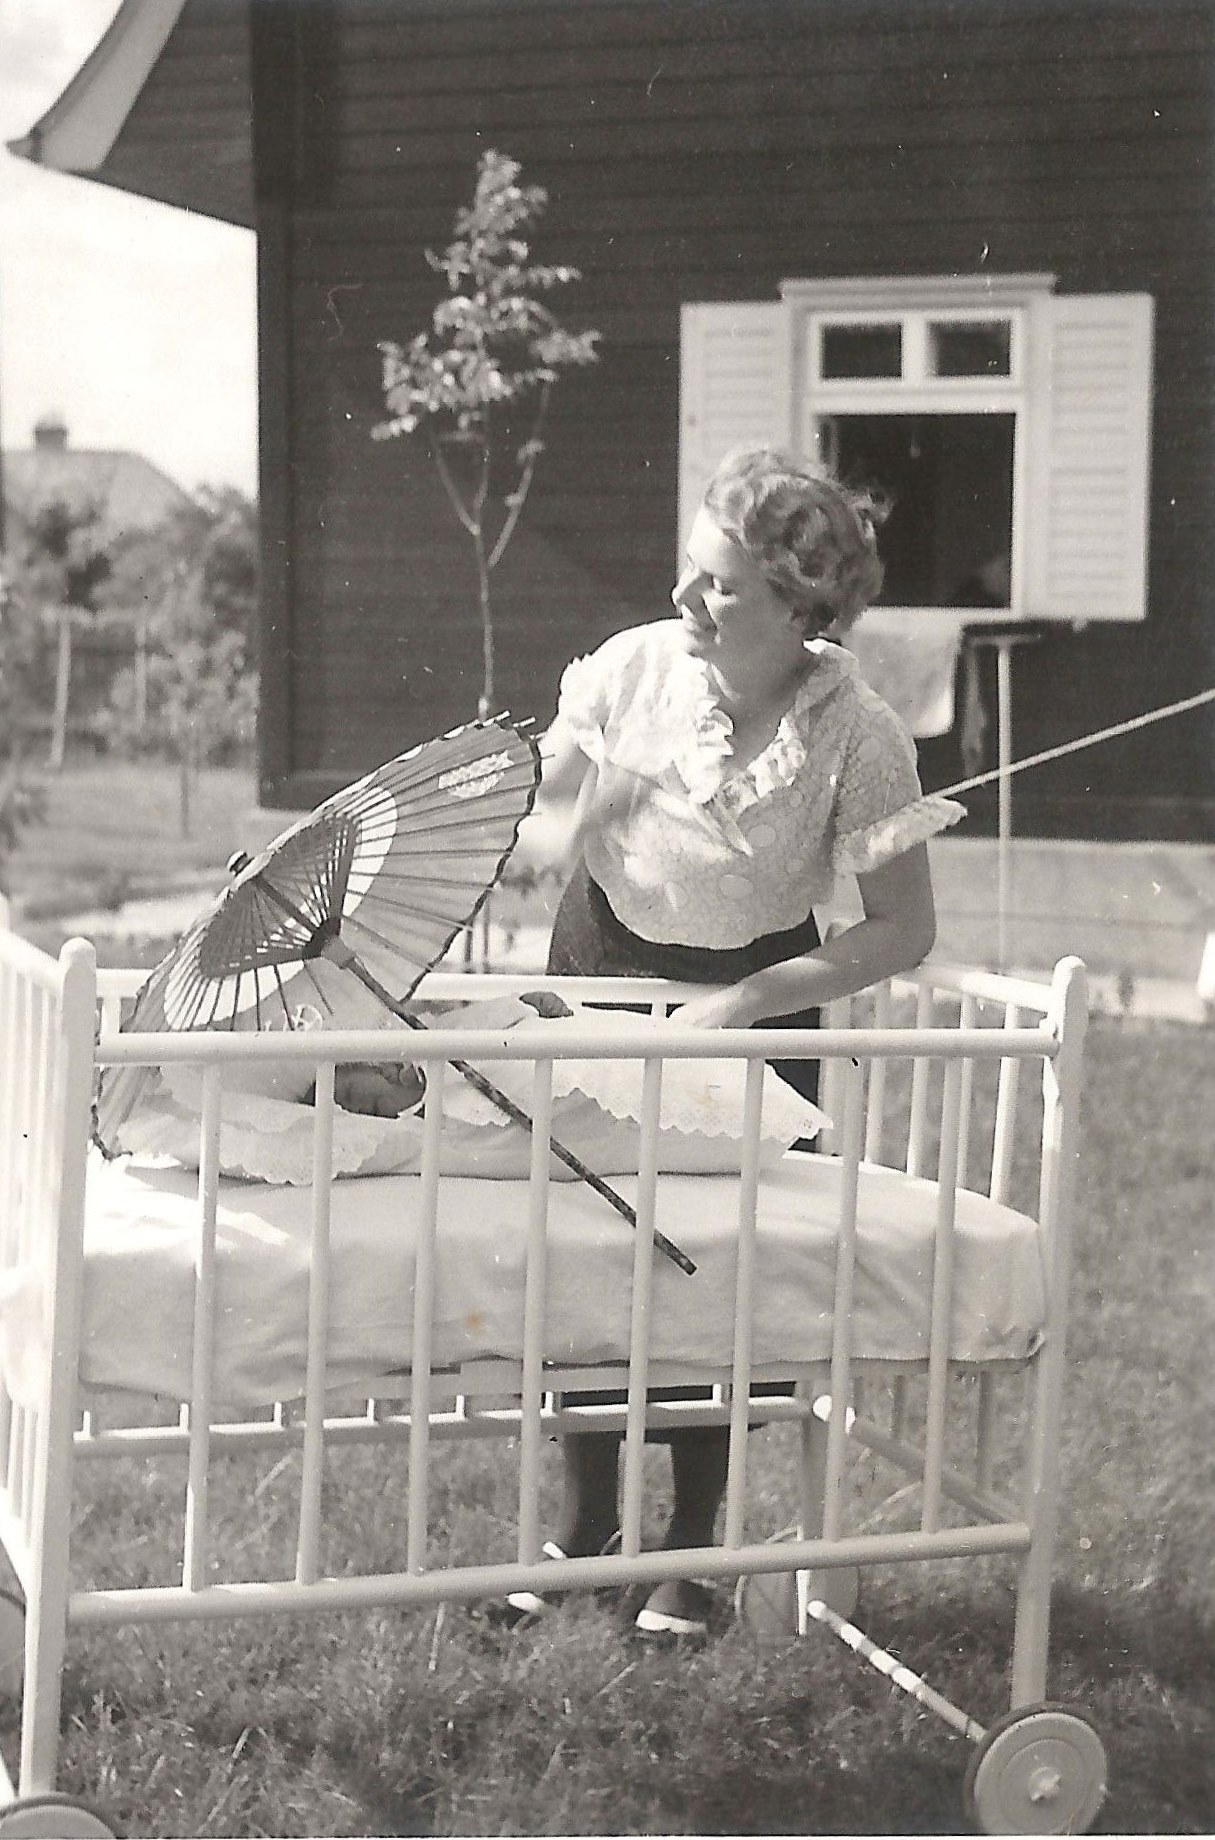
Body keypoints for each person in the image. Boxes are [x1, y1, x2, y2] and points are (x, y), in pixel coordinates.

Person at [508, 445, 963, 1639]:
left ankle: (693, 1544)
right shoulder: (632, 668)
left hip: (752, 1010)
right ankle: (583, 1526)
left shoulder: (860, 735)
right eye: (689, 567)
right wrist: (567, 821)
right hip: (601, 977)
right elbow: (541, 816)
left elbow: (904, 928)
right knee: (586, 1247)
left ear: (801, 606)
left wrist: (752, 1001)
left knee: (715, 1267)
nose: (684, 597)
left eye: (718, 583)